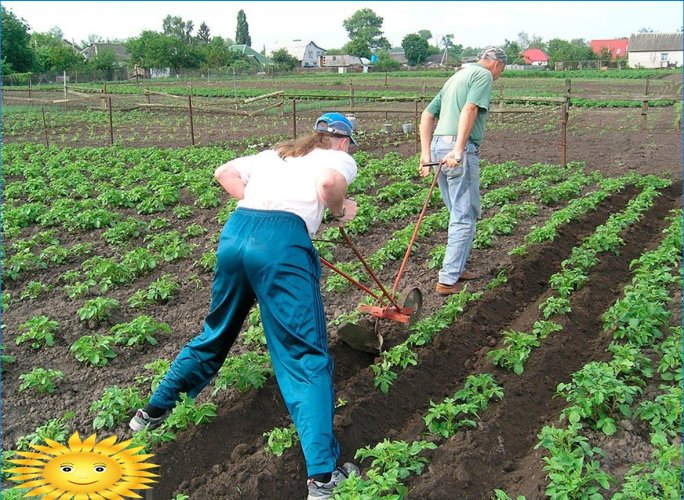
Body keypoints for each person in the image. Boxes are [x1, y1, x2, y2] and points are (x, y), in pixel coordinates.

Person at [129, 112, 361, 499]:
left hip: (237, 234)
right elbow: (329, 183)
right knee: (305, 356)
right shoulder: (336, 157)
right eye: (350, 143)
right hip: (282, 245)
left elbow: (224, 173)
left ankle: (150, 413)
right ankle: (323, 478)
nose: (349, 149)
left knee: (215, 333)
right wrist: (339, 209)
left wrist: (261, 206)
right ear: (342, 140)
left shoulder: (279, 153)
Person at [418, 46, 507, 296]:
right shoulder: (484, 76)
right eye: (502, 70)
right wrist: (458, 148)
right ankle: (447, 280)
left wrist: (426, 155)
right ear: (497, 65)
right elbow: (470, 109)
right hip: (457, 148)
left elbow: (427, 115)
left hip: (437, 146)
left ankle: (456, 268)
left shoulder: (457, 76)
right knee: (464, 216)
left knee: (459, 212)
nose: (499, 75)